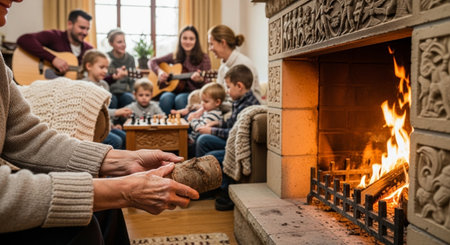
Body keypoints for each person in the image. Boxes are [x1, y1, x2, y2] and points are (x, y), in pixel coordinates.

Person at [0, 2, 199, 244]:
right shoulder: (53, 39)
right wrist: (123, 190)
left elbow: (27, 137)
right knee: (86, 221)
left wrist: (123, 161)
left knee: (107, 208)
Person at [194, 65, 260, 211]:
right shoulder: (240, 100)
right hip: (232, 140)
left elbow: (234, 133)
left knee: (210, 154)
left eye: (228, 87)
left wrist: (212, 130)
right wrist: (218, 123)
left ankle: (225, 193)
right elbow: (232, 124)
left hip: (238, 146)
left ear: (239, 86)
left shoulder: (247, 105)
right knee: (202, 139)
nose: (227, 91)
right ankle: (204, 184)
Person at [149, 25, 211, 115]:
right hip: (172, 90)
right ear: (180, 40)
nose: (187, 41)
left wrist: (200, 81)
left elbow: (207, 84)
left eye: (191, 39)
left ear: (196, 41)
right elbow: (152, 61)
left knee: (180, 99)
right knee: (166, 98)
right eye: (184, 38)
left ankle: (181, 127)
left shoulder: (204, 58)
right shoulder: (174, 55)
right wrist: (160, 72)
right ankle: (163, 127)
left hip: (191, 92)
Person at [79, 49, 133, 149]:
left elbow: (104, 110)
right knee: (116, 141)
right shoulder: (84, 85)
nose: (105, 71)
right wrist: (116, 112)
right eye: (101, 67)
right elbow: (94, 112)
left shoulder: (104, 84)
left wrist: (111, 125)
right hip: (91, 129)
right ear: (89, 66)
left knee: (125, 136)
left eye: (106, 68)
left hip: (104, 126)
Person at [17, 9, 93, 73]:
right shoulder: (55, 36)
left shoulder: (89, 50)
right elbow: (24, 39)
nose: (85, 32)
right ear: (70, 24)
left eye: (88, 29)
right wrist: (53, 59)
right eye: (82, 28)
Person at [104, 29, 136, 109]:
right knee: (111, 99)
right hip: (109, 91)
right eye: (119, 42)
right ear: (111, 43)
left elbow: (132, 80)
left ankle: (125, 121)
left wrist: (133, 93)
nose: (123, 45)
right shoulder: (105, 58)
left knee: (128, 98)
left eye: (124, 41)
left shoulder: (130, 59)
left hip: (125, 92)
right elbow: (102, 79)